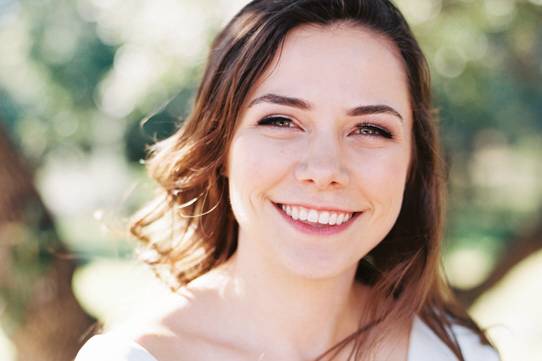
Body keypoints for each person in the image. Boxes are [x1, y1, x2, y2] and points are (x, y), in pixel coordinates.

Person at [75, 0, 501, 360]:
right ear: (221, 147)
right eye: (281, 120)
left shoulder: (456, 353)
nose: (324, 170)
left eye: (370, 129)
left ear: (412, 162)